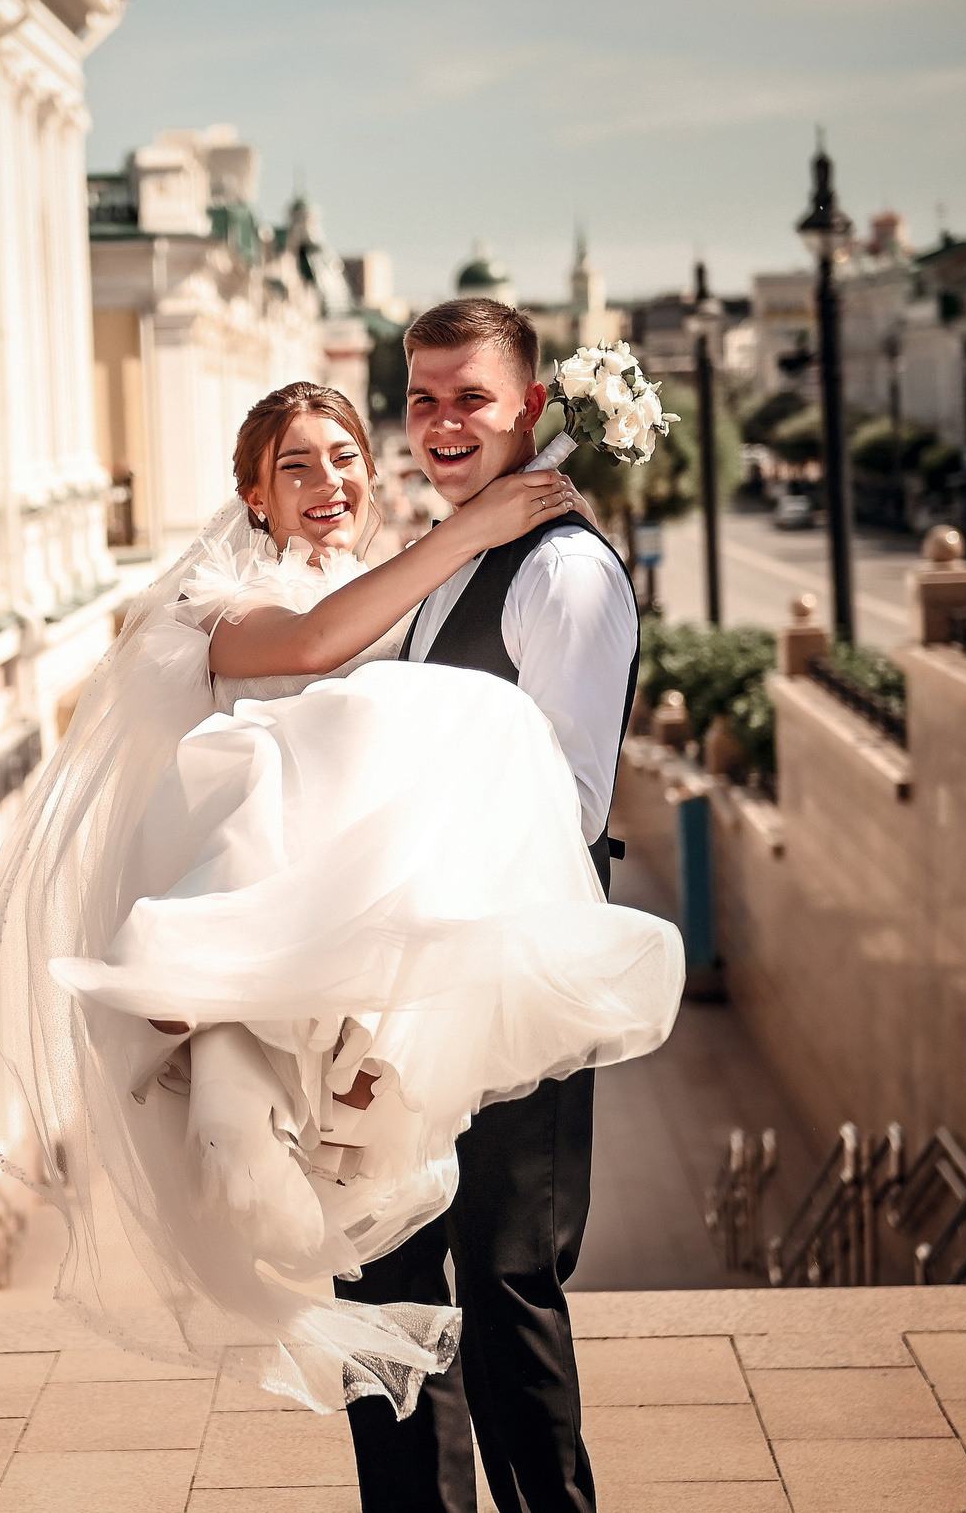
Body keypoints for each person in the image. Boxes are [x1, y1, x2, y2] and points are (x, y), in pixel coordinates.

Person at [0, 376, 682, 1429]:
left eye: (344, 456)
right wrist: (479, 522)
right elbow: (308, 648)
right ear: (253, 496)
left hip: (374, 976)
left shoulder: (390, 590)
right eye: (295, 465)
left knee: (447, 1263)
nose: (327, 482)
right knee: (375, 1273)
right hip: (272, 957)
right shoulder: (212, 601)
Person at [340, 296, 638, 1513]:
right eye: (423, 399)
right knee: (386, 1269)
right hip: (408, 965)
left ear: (531, 405)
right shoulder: (446, 552)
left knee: (507, 1277)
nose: (443, 422)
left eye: (470, 397)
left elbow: (565, 803)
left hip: (513, 965)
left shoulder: (562, 571)